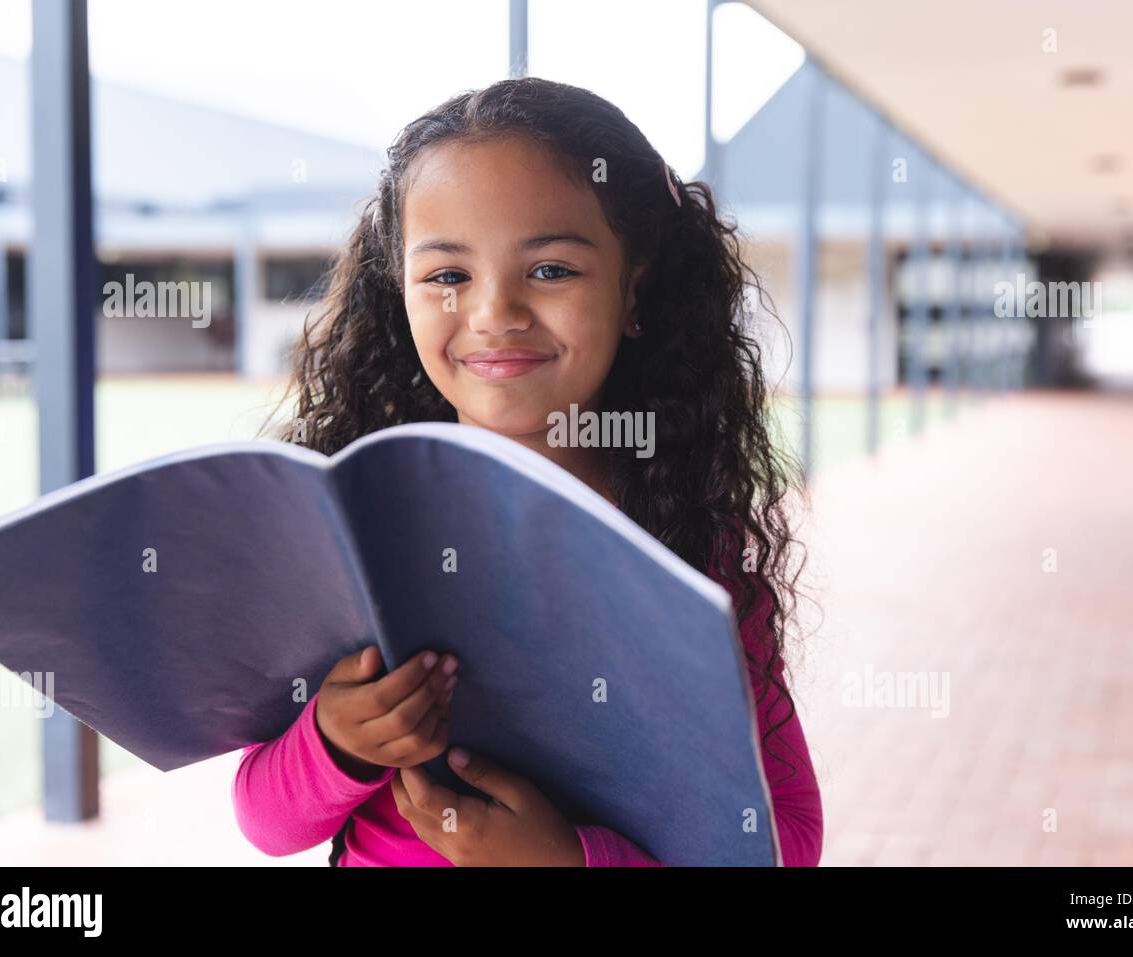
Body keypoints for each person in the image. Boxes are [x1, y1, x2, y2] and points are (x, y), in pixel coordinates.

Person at [233, 76, 822, 866]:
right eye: (447, 276)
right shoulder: (354, 531)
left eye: (550, 270)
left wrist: (572, 861)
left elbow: (787, 838)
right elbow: (266, 820)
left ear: (634, 283)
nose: (494, 313)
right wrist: (335, 740)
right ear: (397, 290)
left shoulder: (688, 540)